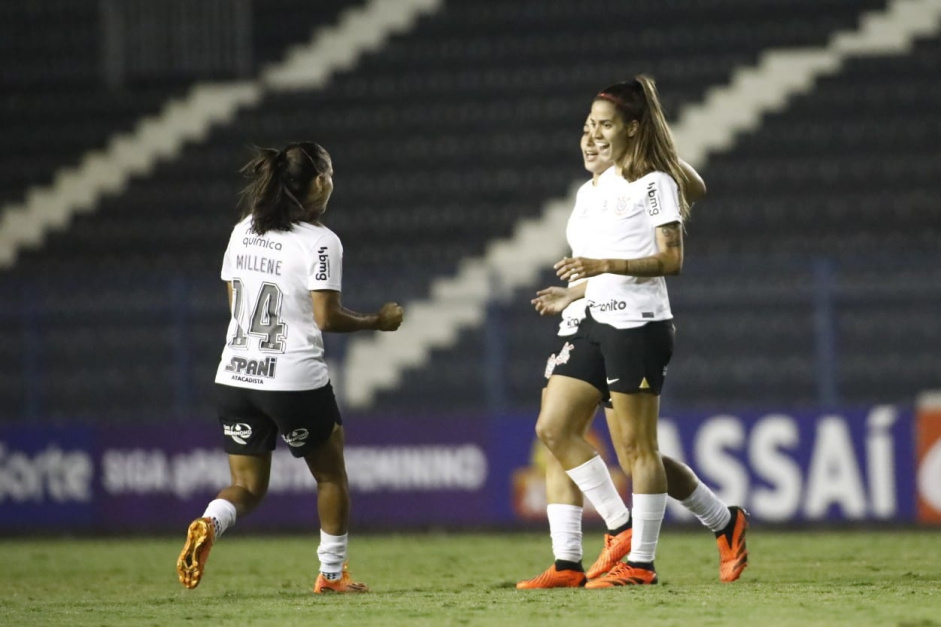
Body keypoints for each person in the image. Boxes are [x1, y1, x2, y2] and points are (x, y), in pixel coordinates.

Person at [529, 76, 747, 588]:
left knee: (636, 453)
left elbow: (671, 258)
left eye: (604, 125)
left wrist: (599, 264)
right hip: (592, 317)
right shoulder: (589, 191)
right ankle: (603, 540)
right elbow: (597, 268)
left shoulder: (654, 182)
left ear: (632, 128)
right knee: (553, 429)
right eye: (587, 125)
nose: (591, 135)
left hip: (637, 323)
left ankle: (647, 559)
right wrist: (575, 293)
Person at [175, 142, 404, 594]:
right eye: (331, 175)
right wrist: (377, 321)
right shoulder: (321, 241)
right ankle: (332, 575)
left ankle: (208, 522)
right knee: (330, 474)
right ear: (318, 181)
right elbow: (326, 317)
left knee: (246, 486)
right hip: (292, 378)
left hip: (236, 373)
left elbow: (235, 302)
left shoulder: (244, 230)